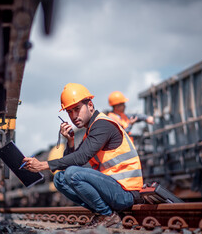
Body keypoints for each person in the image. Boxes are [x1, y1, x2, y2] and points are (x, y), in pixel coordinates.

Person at [22, 83, 144, 228]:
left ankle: (107, 215)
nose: (73, 116)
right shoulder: (90, 131)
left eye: (77, 109)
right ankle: (103, 213)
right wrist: (70, 141)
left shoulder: (103, 125)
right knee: (60, 179)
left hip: (126, 193)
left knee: (72, 174)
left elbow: (81, 158)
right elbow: (73, 163)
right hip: (113, 189)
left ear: (90, 105)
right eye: (69, 112)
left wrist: (43, 165)